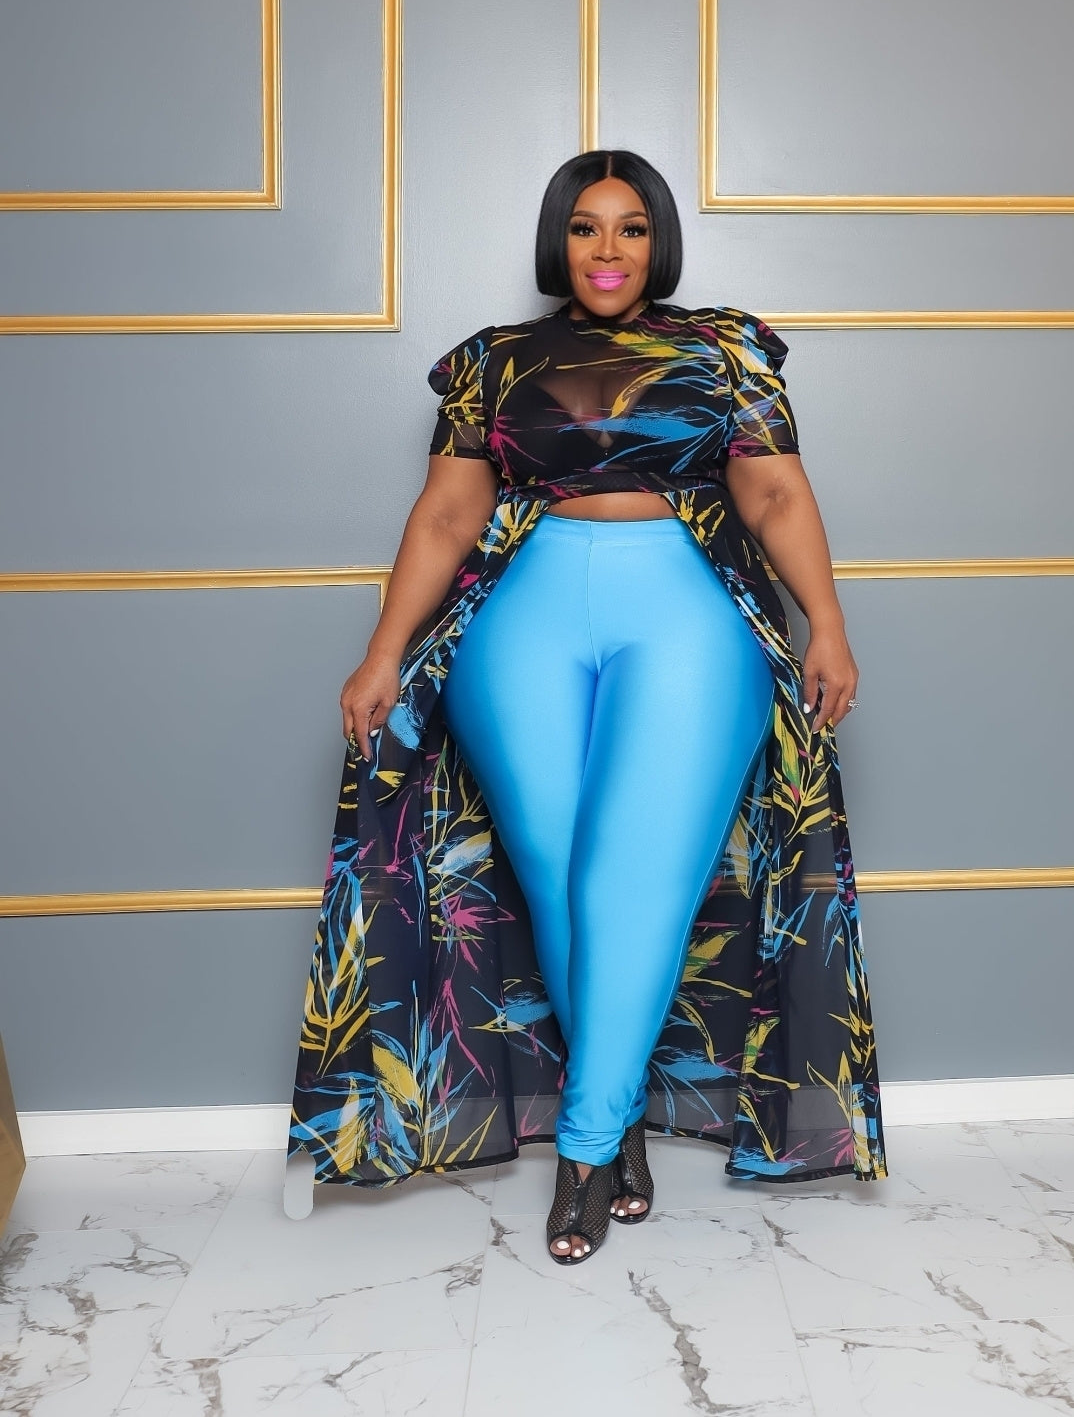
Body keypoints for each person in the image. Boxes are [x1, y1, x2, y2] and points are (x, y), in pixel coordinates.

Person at [289, 149, 886, 1267]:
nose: (608, 250)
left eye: (631, 228)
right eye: (584, 227)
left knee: (632, 880)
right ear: (557, 241)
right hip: (523, 617)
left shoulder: (725, 350)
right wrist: (383, 654)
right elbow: (445, 516)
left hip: (687, 612)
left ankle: (583, 1151)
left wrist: (828, 625)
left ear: (658, 242)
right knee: (563, 882)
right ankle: (617, 1127)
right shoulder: (493, 361)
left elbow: (773, 492)